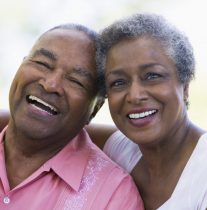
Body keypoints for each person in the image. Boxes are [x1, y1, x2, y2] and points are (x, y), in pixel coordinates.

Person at [0, 23, 144, 209]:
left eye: (76, 80)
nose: (51, 84)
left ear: (95, 109)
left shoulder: (113, 195)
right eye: (42, 63)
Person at [94, 13, 207, 210]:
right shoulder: (118, 149)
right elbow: (63, 130)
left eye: (152, 76)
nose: (135, 95)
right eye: (119, 82)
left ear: (185, 87)